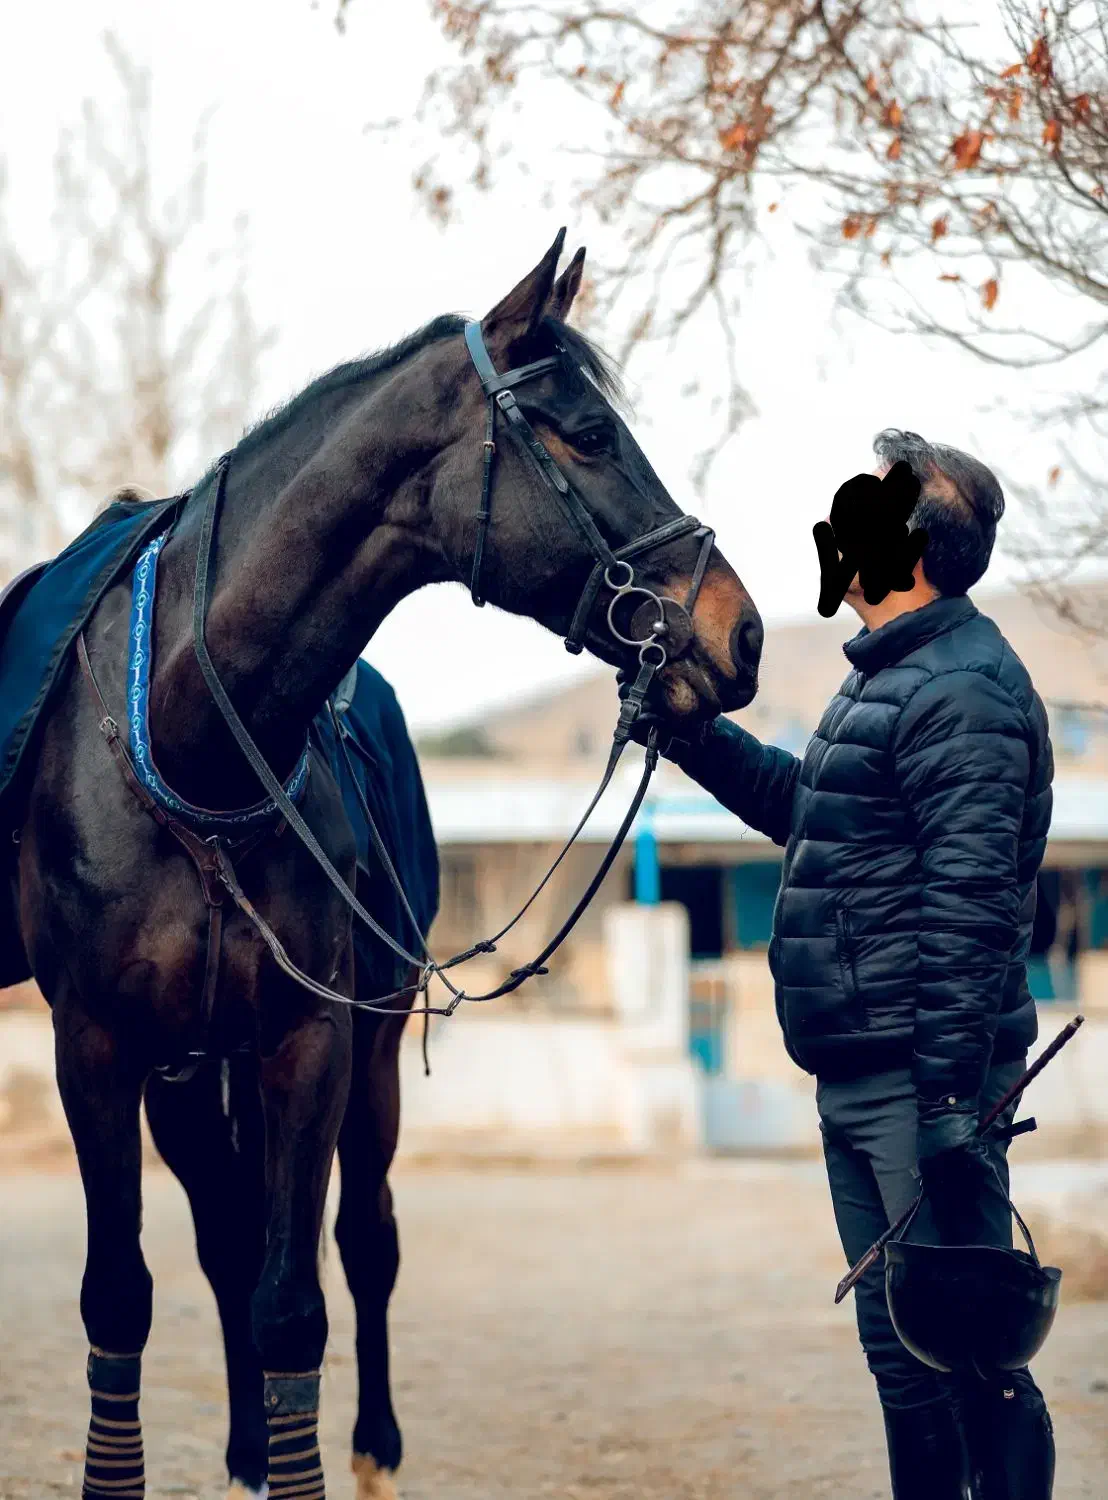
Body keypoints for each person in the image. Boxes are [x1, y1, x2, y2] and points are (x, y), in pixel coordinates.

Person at [635, 429, 1056, 1498]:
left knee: (971, 1362)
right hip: (862, 1077)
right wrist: (688, 735)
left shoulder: (962, 694)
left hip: (923, 1093)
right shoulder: (893, 679)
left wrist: (950, 1107)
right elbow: (809, 814)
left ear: (909, 550)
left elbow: (967, 911)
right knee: (903, 1360)